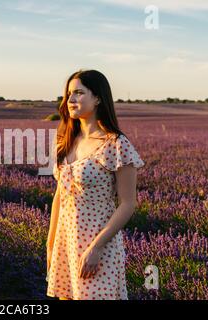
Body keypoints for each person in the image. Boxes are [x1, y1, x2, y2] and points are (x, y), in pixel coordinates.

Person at [46, 69, 145, 300]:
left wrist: (97, 247)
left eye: (79, 93)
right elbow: (60, 196)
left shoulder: (116, 144)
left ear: (98, 98)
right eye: (68, 94)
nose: (70, 100)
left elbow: (128, 204)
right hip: (66, 244)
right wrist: (50, 245)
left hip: (99, 248)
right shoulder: (65, 140)